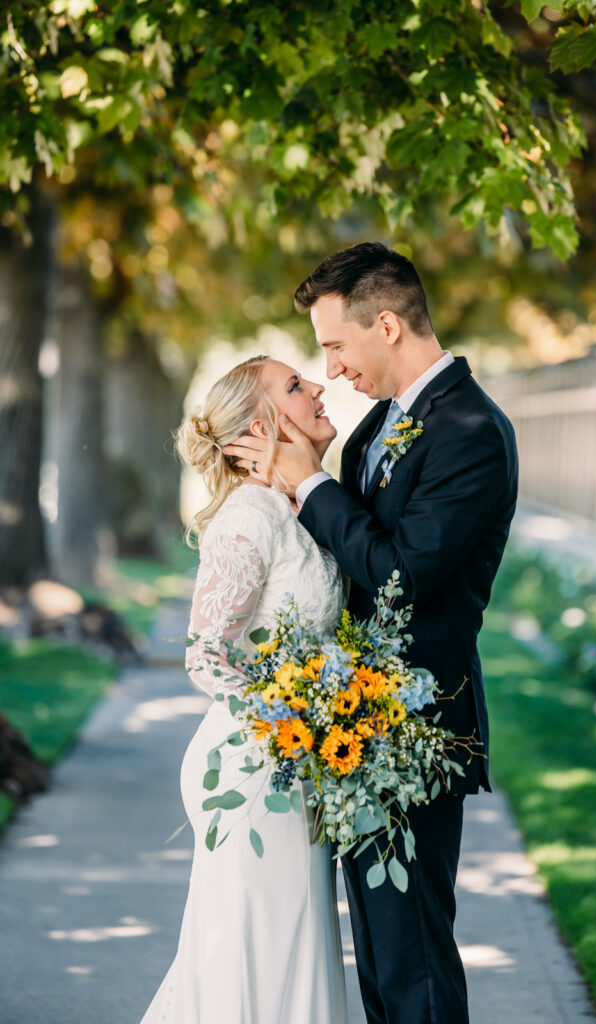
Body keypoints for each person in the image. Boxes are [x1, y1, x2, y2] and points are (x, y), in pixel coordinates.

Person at [225, 242, 519, 1024]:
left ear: (384, 325)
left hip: (415, 730)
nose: (332, 370)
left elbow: (400, 577)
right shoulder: (384, 424)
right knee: (384, 965)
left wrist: (309, 485)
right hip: (355, 728)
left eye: (334, 347)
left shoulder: (468, 431)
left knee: (413, 961)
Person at [140, 355, 348, 1024]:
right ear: (258, 428)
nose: (316, 386)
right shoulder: (248, 517)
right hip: (254, 772)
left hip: (294, 767)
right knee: (252, 949)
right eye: (295, 386)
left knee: (291, 945)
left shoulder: (294, 507)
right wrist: (285, 724)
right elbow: (206, 655)